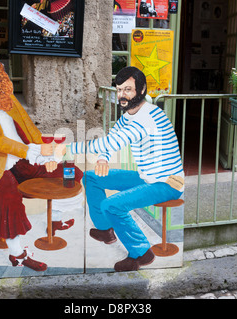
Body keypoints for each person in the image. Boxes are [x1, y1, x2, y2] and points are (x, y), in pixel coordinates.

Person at [0, 51, 83, 271]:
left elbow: (29, 128)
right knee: (7, 195)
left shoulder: (5, 100)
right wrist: (31, 152)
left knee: (68, 173)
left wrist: (46, 154)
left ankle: (54, 220)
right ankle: (17, 254)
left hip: (21, 160)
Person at [64, 66, 185, 272]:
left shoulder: (146, 118)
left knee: (113, 205)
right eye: (119, 89)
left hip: (167, 182)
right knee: (92, 178)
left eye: (128, 89)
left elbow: (105, 143)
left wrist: (66, 148)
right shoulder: (130, 114)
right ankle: (105, 230)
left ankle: (142, 253)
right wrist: (103, 159)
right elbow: (113, 140)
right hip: (147, 176)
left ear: (142, 90)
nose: (122, 95)